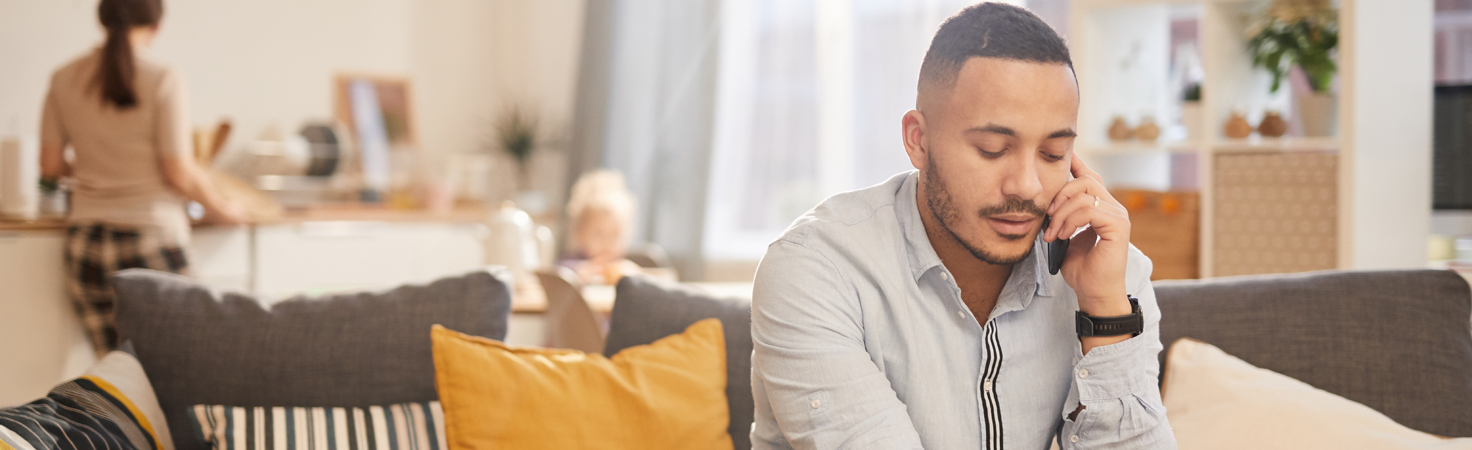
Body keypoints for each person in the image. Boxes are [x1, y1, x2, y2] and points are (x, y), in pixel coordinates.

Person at [750, 3, 1176, 449]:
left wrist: (1105, 312)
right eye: (993, 149)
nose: (1028, 186)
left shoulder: (1111, 276)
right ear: (918, 140)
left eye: (1053, 154)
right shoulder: (815, 271)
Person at [40, 0, 247, 355]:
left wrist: (99, 166)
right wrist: (223, 208)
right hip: (152, 239)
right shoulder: (162, 77)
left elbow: (51, 166)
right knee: (189, 364)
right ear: (157, 24)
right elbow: (177, 171)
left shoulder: (63, 78)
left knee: (116, 376)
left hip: (85, 243)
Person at [560, 170, 642, 284]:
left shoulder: (622, 268)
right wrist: (583, 270)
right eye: (599, 234)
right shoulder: (572, 262)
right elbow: (559, 274)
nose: (607, 243)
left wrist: (634, 275)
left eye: (615, 235)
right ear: (580, 234)